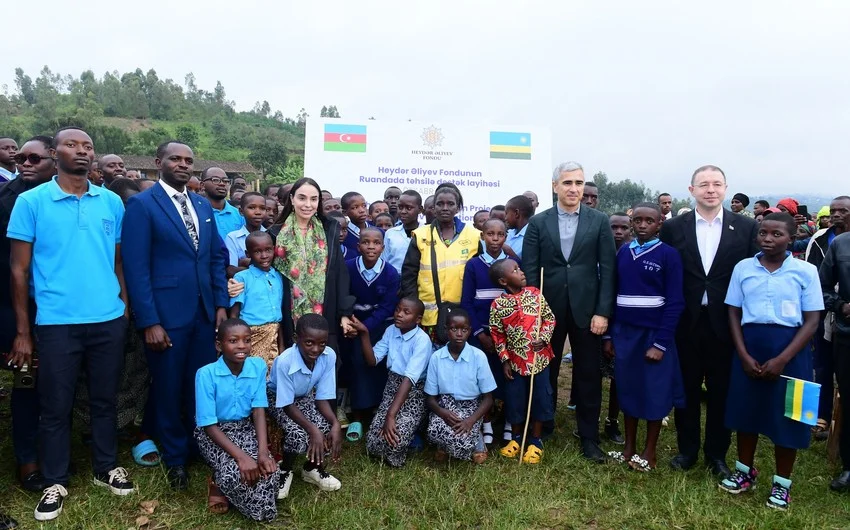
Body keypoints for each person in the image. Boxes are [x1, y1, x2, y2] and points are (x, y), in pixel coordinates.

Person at [8, 127, 133, 522]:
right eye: (71, 145)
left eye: (88, 146)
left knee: (104, 399)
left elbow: (117, 261)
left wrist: (124, 308)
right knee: (55, 406)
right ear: (53, 152)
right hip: (57, 323)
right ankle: (55, 481)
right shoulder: (31, 202)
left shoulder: (111, 202)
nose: (81, 151)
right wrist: (24, 331)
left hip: (107, 319)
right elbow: (18, 270)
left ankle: (105, 467)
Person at [122, 140, 229, 491]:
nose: (183, 164)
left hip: (203, 315)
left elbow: (214, 258)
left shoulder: (201, 204)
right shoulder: (141, 204)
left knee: (198, 385)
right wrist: (149, 321)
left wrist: (220, 306)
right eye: (175, 159)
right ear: (159, 162)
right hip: (165, 317)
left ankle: (199, 445)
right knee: (167, 387)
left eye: (189, 160)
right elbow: (136, 268)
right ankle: (175, 456)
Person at [659, 164, 759, 478]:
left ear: (726, 189)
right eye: (704, 184)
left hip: (727, 323)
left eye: (717, 184)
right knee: (686, 389)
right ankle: (687, 450)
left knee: (721, 391)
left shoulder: (745, 228)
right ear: (691, 191)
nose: (710, 190)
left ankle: (717, 454)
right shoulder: (675, 227)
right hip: (686, 321)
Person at [720, 212, 822, 510]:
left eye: (776, 234)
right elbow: (733, 312)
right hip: (750, 347)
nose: (767, 239)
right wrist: (743, 354)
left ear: (791, 238)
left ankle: (782, 483)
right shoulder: (743, 268)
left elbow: (813, 320)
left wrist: (782, 359)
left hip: (791, 352)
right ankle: (744, 472)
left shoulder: (804, 272)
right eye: (763, 233)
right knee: (746, 412)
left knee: (788, 417)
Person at [522, 161, 616, 462]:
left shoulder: (598, 221)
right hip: (547, 311)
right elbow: (529, 268)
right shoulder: (538, 223)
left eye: (578, 183)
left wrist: (602, 312)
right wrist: (533, 312)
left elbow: (609, 269)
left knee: (588, 373)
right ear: (555, 187)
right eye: (567, 183)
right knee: (545, 371)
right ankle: (543, 425)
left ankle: (588, 436)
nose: (574, 189)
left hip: (587, 311)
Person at [606, 203, 685, 471]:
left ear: (659, 224)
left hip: (653, 334)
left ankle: (649, 451)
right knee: (627, 386)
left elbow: (675, 301)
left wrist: (661, 342)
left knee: (654, 390)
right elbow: (613, 293)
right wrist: (609, 335)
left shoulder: (668, 255)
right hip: (624, 332)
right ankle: (628, 447)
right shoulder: (623, 252)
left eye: (648, 221)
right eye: (637, 220)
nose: (642, 225)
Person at [0, 137, 55, 495]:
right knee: (25, 381)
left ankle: (55, 451)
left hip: (59, 306)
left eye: (35, 157)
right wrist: (19, 327)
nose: (25, 163)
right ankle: (27, 461)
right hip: (15, 306)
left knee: (56, 381)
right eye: (21, 157)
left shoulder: (77, 196)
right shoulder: (7, 201)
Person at [194, 319, 280, 521]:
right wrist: (242, 457)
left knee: (269, 471)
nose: (242, 346)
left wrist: (262, 452)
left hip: (243, 428)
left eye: (247, 340)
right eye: (233, 341)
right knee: (234, 472)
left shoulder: (257, 366)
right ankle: (219, 483)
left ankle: (243, 495)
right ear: (219, 345)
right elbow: (208, 425)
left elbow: (258, 411)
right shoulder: (206, 374)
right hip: (215, 433)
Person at [262, 178, 354, 352]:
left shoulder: (329, 229)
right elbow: (263, 271)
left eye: (313, 199)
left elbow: (340, 273)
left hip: (326, 311)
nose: (307, 204)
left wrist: (344, 313)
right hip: (288, 313)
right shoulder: (275, 234)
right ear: (292, 199)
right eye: (302, 198)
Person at [489, 259, 556, 464]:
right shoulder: (498, 304)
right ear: (503, 280)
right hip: (516, 362)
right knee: (515, 399)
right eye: (515, 271)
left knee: (540, 397)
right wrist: (505, 360)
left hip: (539, 359)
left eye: (519, 268)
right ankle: (516, 438)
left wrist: (543, 339)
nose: (522, 272)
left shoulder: (535, 293)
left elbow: (549, 318)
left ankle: (535, 440)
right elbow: (497, 334)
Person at [351, 298, 432, 467]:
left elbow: (409, 379)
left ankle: (415, 430)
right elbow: (372, 361)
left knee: (395, 442)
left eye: (406, 312)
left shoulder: (422, 340)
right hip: (392, 387)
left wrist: (391, 415)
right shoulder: (391, 331)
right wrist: (364, 333)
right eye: (397, 310)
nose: (399, 315)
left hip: (412, 391)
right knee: (373, 443)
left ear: (418, 319)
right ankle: (408, 431)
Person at [268, 314, 343, 495]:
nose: (316, 349)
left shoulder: (329, 356)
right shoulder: (285, 361)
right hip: (277, 398)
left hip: (304, 396)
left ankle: (311, 469)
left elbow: (322, 397)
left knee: (325, 426)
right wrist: (312, 429)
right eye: (309, 343)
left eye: (322, 343)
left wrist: (335, 423)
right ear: (296, 339)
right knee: (297, 433)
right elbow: (287, 404)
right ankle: (285, 471)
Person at [400, 185, 481, 345]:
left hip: (461, 316)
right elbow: (409, 274)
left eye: (450, 204)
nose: (445, 208)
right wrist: (414, 308)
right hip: (427, 317)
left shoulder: (474, 236)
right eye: (440, 204)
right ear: (433, 207)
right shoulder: (421, 234)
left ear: (458, 207)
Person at [340, 227, 399, 442]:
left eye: (376, 243)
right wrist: (350, 323)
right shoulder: (348, 268)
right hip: (353, 327)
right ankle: (357, 413)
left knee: (378, 366)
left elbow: (387, 307)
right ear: (358, 246)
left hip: (379, 326)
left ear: (383, 247)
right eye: (366, 242)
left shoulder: (391, 273)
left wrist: (366, 326)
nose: (371, 246)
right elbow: (344, 296)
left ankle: (376, 408)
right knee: (357, 364)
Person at [461, 218, 513, 444]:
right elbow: (467, 302)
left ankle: (511, 421)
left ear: (505, 237)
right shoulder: (473, 265)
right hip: (482, 334)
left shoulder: (513, 263)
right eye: (490, 234)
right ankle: (487, 423)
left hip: (509, 334)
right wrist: (480, 334)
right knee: (484, 378)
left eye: (499, 234)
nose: (495, 239)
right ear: (482, 236)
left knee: (509, 377)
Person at [425, 308, 495, 464]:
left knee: (461, 443)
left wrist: (470, 421)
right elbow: (430, 399)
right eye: (454, 329)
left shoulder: (478, 356)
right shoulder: (436, 358)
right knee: (432, 432)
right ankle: (447, 444)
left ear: (469, 331)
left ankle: (477, 441)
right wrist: (442, 412)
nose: (459, 333)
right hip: (445, 406)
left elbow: (489, 398)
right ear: (446, 330)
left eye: (464, 329)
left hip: (471, 408)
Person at [806, 197, 850, 439]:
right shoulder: (821, 238)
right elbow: (814, 276)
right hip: (826, 309)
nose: (836, 215)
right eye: (833, 210)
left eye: (843, 210)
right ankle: (822, 414)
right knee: (822, 364)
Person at [229, 231, 284, 370]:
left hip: (274, 337)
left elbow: (278, 318)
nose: (264, 255)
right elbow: (234, 314)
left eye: (268, 250)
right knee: (252, 373)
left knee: (271, 377)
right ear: (248, 254)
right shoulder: (242, 278)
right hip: (251, 335)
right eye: (257, 252)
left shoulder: (278, 276)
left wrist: (282, 345)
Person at [821, 229, 850, 492]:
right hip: (847, 333)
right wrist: (841, 306)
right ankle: (848, 466)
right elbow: (824, 286)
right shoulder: (841, 244)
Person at [224, 192, 267, 278]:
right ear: (241, 211)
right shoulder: (233, 238)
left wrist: (246, 263)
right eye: (252, 207)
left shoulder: (271, 235)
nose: (258, 212)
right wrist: (260, 266)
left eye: (262, 208)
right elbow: (231, 270)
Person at [382, 190, 423, 274]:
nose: (403, 211)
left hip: (419, 280)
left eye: (409, 208)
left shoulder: (427, 232)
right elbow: (384, 261)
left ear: (420, 210)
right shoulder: (390, 233)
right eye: (400, 207)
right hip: (395, 279)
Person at [202, 168, 244, 241]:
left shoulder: (239, 215)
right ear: (202, 185)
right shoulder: (196, 213)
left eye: (225, 181)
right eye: (215, 180)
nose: (222, 184)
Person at [341, 191, 369, 258]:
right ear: (345, 212)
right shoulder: (343, 235)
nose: (362, 210)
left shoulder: (377, 231)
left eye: (364, 206)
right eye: (355, 207)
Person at [505, 195, 533, 260]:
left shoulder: (532, 236)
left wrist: (507, 250)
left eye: (506, 213)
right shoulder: (509, 233)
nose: (505, 218)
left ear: (516, 213)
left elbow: (528, 264)